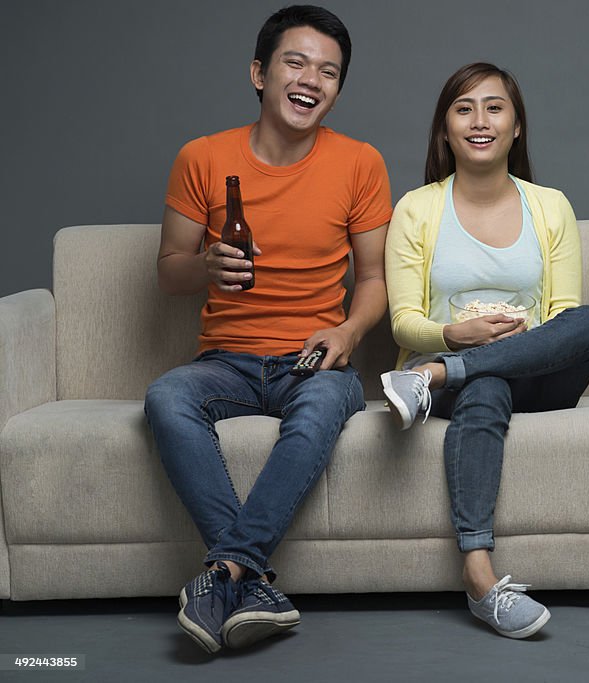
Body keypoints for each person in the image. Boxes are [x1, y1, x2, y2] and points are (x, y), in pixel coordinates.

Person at [144, 5, 391, 654]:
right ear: (259, 72)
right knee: (167, 396)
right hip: (225, 360)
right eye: (297, 61)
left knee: (321, 411)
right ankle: (247, 579)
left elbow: (374, 281)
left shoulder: (360, 163)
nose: (313, 79)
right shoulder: (202, 157)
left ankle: (223, 573)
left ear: (337, 89)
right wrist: (204, 265)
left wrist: (347, 332)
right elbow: (168, 273)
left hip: (313, 358)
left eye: (329, 71)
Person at [380, 63, 589, 639]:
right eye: (463, 108)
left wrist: (514, 343)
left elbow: (564, 314)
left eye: (494, 107)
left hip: (535, 369)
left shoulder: (549, 204)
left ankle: (434, 377)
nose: (479, 121)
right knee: (485, 386)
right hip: (467, 383)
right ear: (445, 130)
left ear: (517, 127)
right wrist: (454, 336)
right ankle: (482, 578)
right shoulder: (416, 208)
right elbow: (405, 321)